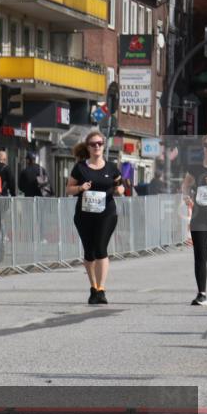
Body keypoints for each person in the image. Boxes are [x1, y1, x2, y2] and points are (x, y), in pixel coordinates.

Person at [66, 130, 124, 304]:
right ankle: (93, 287)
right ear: (88, 147)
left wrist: (120, 190)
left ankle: (101, 289)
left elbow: (121, 185)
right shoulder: (80, 167)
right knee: (89, 253)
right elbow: (68, 189)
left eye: (100, 143)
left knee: (101, 249)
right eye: (93, 144)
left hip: (106, 213)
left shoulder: (111, 167)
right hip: (84, 215)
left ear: (103, 145)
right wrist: (80, 188)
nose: (97, 146)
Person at [181, 134, 207, 306]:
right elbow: (186, 184)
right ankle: (201, 294)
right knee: (200, 256)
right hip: (200, 217)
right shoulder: (195, 166)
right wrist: (186, 196)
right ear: (203, 147)